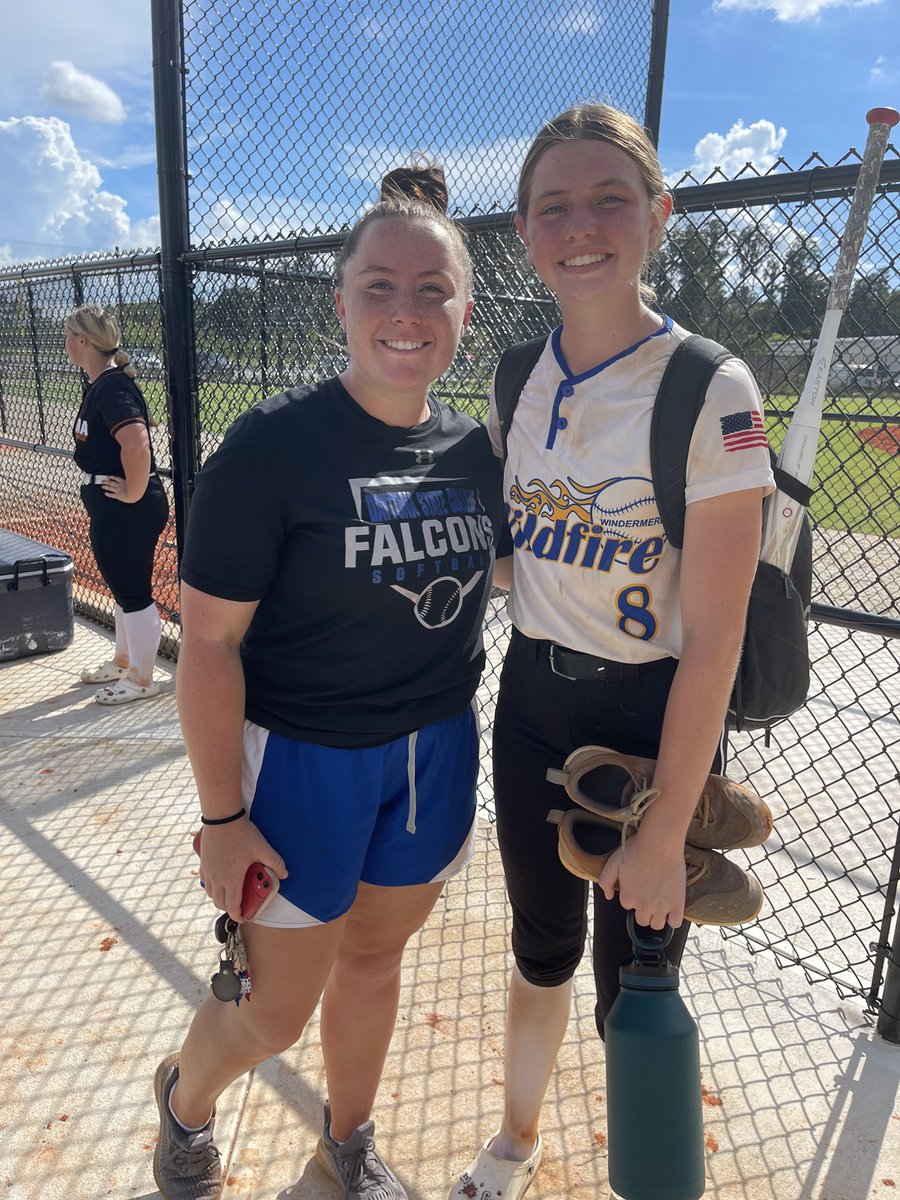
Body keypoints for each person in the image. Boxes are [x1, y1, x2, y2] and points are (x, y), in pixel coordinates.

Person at [153, 165, 504, 1200]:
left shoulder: (479, 452)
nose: (407, 310)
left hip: (434, 751)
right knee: (271, 1011)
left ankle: (347, 1142)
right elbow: (208, 645)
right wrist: (223, 817)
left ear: (465, 311)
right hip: (303, 763)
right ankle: (183, 1102)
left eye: (432, 288)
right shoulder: (275, 445)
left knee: (377, 961)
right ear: (341, 300)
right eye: (380, 286)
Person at [449, 103, 775, 1200]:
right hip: (536, 696)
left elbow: (718, 629)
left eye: (609, 200)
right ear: (525, 231)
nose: (579, 225)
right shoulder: (512, 381)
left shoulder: (708, 388)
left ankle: (643, 1170)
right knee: (540, 950)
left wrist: (671, 822)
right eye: (553, 206)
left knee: (634, 972)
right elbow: (522, 555)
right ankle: (516, 1136)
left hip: (656, 714)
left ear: (659, 216)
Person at [65, 305, 169, 704]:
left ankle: (142, 679)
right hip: (114, 506)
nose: (66, 344)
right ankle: (125, 660)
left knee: (133, 591)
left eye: (68, 336)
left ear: (83, 340)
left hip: (128, 508)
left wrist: (134, 493)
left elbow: (137, 443)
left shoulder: (112, 387)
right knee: (123, 589)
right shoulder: (102, 384)